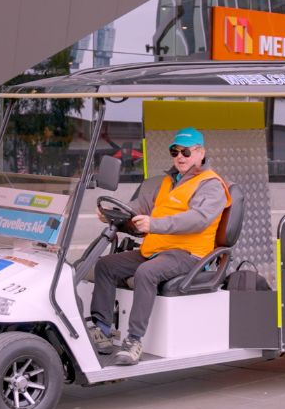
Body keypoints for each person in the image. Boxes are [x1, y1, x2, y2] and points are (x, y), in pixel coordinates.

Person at [88, 127, 230, 366]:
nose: (180, 156)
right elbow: (142, 204)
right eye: (175, 152)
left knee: (147, 272)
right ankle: (101, 329)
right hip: (158, 250)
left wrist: (155, 224)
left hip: (190, 255)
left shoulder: (211, 184)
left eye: (186, 151)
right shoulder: (168, 181)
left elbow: (199, 218)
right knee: (105, 265)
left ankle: (134, 340)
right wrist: (114, 213)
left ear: (201, 152)